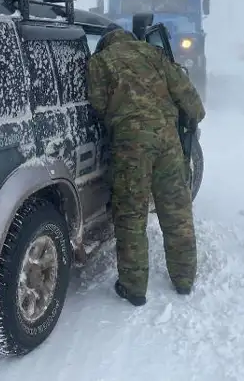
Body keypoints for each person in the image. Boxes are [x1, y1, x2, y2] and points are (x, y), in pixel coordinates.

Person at [87, 24, 206, 306]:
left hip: (131, 144)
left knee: (131, 214)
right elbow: (187, 94)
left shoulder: (100, 61)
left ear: (105, 43)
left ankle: (134, 288)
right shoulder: (154, 53)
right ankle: (184, 279)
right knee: (176, 209)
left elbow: (98, 104)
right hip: (167, 140)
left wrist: (121, 115)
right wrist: (192, 118)